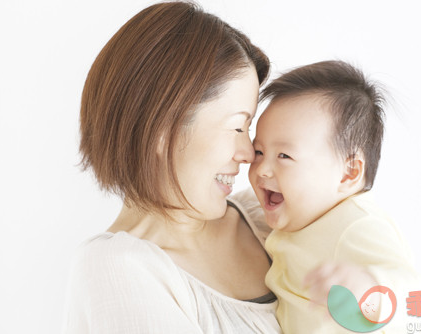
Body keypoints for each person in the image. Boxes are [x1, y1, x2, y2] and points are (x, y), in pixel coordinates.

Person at [62, 2, 282, 333]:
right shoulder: (116, 268)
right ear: (165, 126)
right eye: (238, 127)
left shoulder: (266, 219)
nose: (249, 153)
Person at [248, 60, 421, 333]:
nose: (262, 169)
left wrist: (366, 286)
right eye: (258, 152)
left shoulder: (354, 224)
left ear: (348, 173)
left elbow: (410, 292)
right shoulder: (299, 215)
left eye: (284, 156)